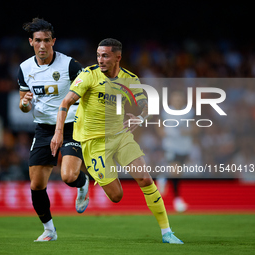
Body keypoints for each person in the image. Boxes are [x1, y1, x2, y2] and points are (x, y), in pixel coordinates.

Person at [51, 38, 183, 244]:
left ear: (118, 57)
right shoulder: (89, 75)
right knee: (116, 196)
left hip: (120, 136)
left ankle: (167, 232)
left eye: (105, 56)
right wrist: (59, 132)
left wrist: (141, 117)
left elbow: (146, 105)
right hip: (93, 143)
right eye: (98, 55)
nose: (100, 60)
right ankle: (84, 182)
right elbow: (66, 102)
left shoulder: (130, 79)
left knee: (146, 179)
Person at [17, 18, 90, 242]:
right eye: (37, 40)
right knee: (36, 185)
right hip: (43, 129)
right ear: (31, 42)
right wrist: (25, 103)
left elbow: (89, 89)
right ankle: (49, 230)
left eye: (46, 41)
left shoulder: (69, 65)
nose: (42, 45)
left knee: (68, 176)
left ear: (53, 41)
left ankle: (82, 182)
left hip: (71, 125)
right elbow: (23, 105)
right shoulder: (24, 68)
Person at [156, 90, 198, 212]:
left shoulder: (190, 112)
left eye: (179, 98)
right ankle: (177, 200)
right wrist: (162, 133)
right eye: (175, 99)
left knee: (177, 172)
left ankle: (163, 177)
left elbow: (196, 128)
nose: (177, 101)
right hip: (171, 146)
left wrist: (185, 131)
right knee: (176, 171)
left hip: (185, 147)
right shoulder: (165, 112)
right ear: (171, 100)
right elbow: (159, 125)